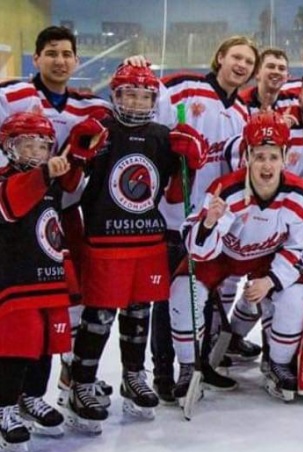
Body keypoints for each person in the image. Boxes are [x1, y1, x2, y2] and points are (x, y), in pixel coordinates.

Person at [65, 65, 207, 433]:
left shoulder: (163, 135)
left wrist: (188, 160)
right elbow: (68, 186)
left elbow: (176, 195)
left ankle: (133, 374)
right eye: (129, 94)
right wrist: (79, 151)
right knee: (98, 318)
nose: (137, 101)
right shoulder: (100, 131)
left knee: (138, 314)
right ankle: (82, 381)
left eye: (145, 96)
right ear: (115, 96)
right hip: (104, 242)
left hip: (147, 242)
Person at [126, 36, 259, 400]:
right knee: (170, 298)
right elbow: (149, 119)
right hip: (174, 216)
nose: (242, 65)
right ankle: (164, 375)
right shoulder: (185, 86)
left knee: (203, 297)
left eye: (249, 61)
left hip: (213, 222)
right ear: (220, 57)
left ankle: (199, 365)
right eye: (236, 57)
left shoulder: (243, 112)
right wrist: (141, 69)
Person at [0, 24, 112, 414]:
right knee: (18, 310)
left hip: (65, 214)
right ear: (37, 58)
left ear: (76, 60)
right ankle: (9, 396)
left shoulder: (91, 107)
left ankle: (70, 378)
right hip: (15, 217)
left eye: (67, 54)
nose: (60, 60)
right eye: (52, 53)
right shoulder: (10, 96)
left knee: (68, 301)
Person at [170, 112, 303, 403]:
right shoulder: (225, 190)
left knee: (295, 297)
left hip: (268, 256)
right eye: (259, 156)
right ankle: (188, 366)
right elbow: (197, 250)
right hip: (222, 255)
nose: (266, 165)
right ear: (247, 156)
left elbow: (300, 249)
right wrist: (209, 223)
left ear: (285, 157)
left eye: (273, 157)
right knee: (182, 293)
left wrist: (271, 280)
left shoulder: (302, 196)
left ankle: (278, 362)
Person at [0, 113, 75, 452]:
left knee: (48, 341)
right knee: (18, 344)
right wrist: (44, 174)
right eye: (25, 143)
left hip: (48, 277)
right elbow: (12, 207)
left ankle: (32, 397)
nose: (34, 151)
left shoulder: (52, 184)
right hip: (15, 281)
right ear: (8, 146)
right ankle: (4, 405)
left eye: (42, 145)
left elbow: (56, 227)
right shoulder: (5, 180)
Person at [239, 48, 291, 113]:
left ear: (287, 77)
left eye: (281, 68)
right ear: (257, 73)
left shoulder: (294, 101)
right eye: (271, 67)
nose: (276, 71)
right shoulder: (240, 103)